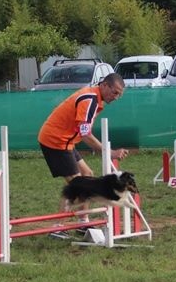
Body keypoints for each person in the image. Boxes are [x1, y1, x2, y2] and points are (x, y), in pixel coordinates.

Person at [38, 73, 128, 235]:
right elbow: (85, 133)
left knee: (87, 174)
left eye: (119, 95)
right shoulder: (89, 99)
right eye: (115, 92)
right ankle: (58, 227)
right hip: (55, 141)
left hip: (66, 141)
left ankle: (82, 222)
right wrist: (110, 153)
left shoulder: (94, 97)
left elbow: (82, 131)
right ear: (104, 85)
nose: (116, 97)